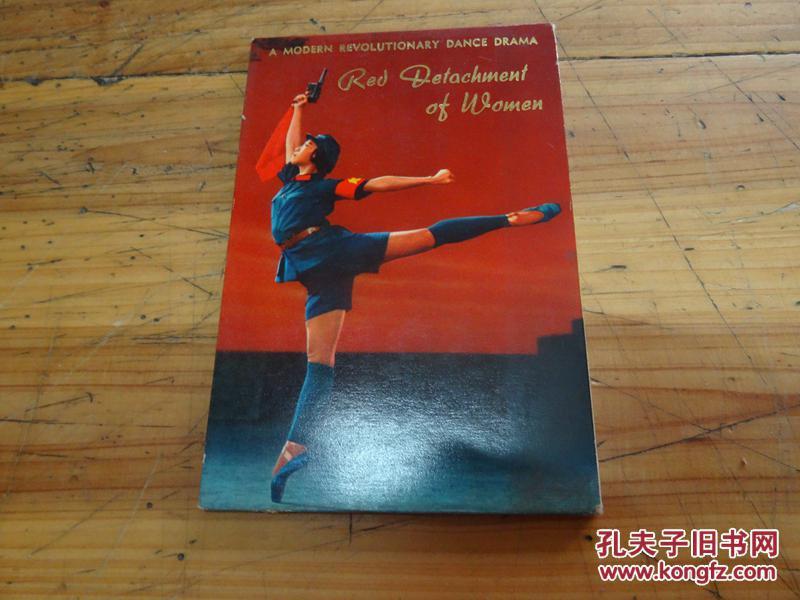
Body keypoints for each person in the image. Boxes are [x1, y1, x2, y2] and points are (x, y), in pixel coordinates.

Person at [268, 91, 561, 502]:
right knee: (319, 364)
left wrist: (428, 180)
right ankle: (294, 449)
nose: (298, 146)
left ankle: (509, 219)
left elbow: (376, 184)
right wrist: (298, 108)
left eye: (307, 144)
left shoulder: (325, 186)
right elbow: (289, 146)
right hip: (315, 269)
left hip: (333, 250)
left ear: (316, 157)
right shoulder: (290, 180)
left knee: (426, 237)